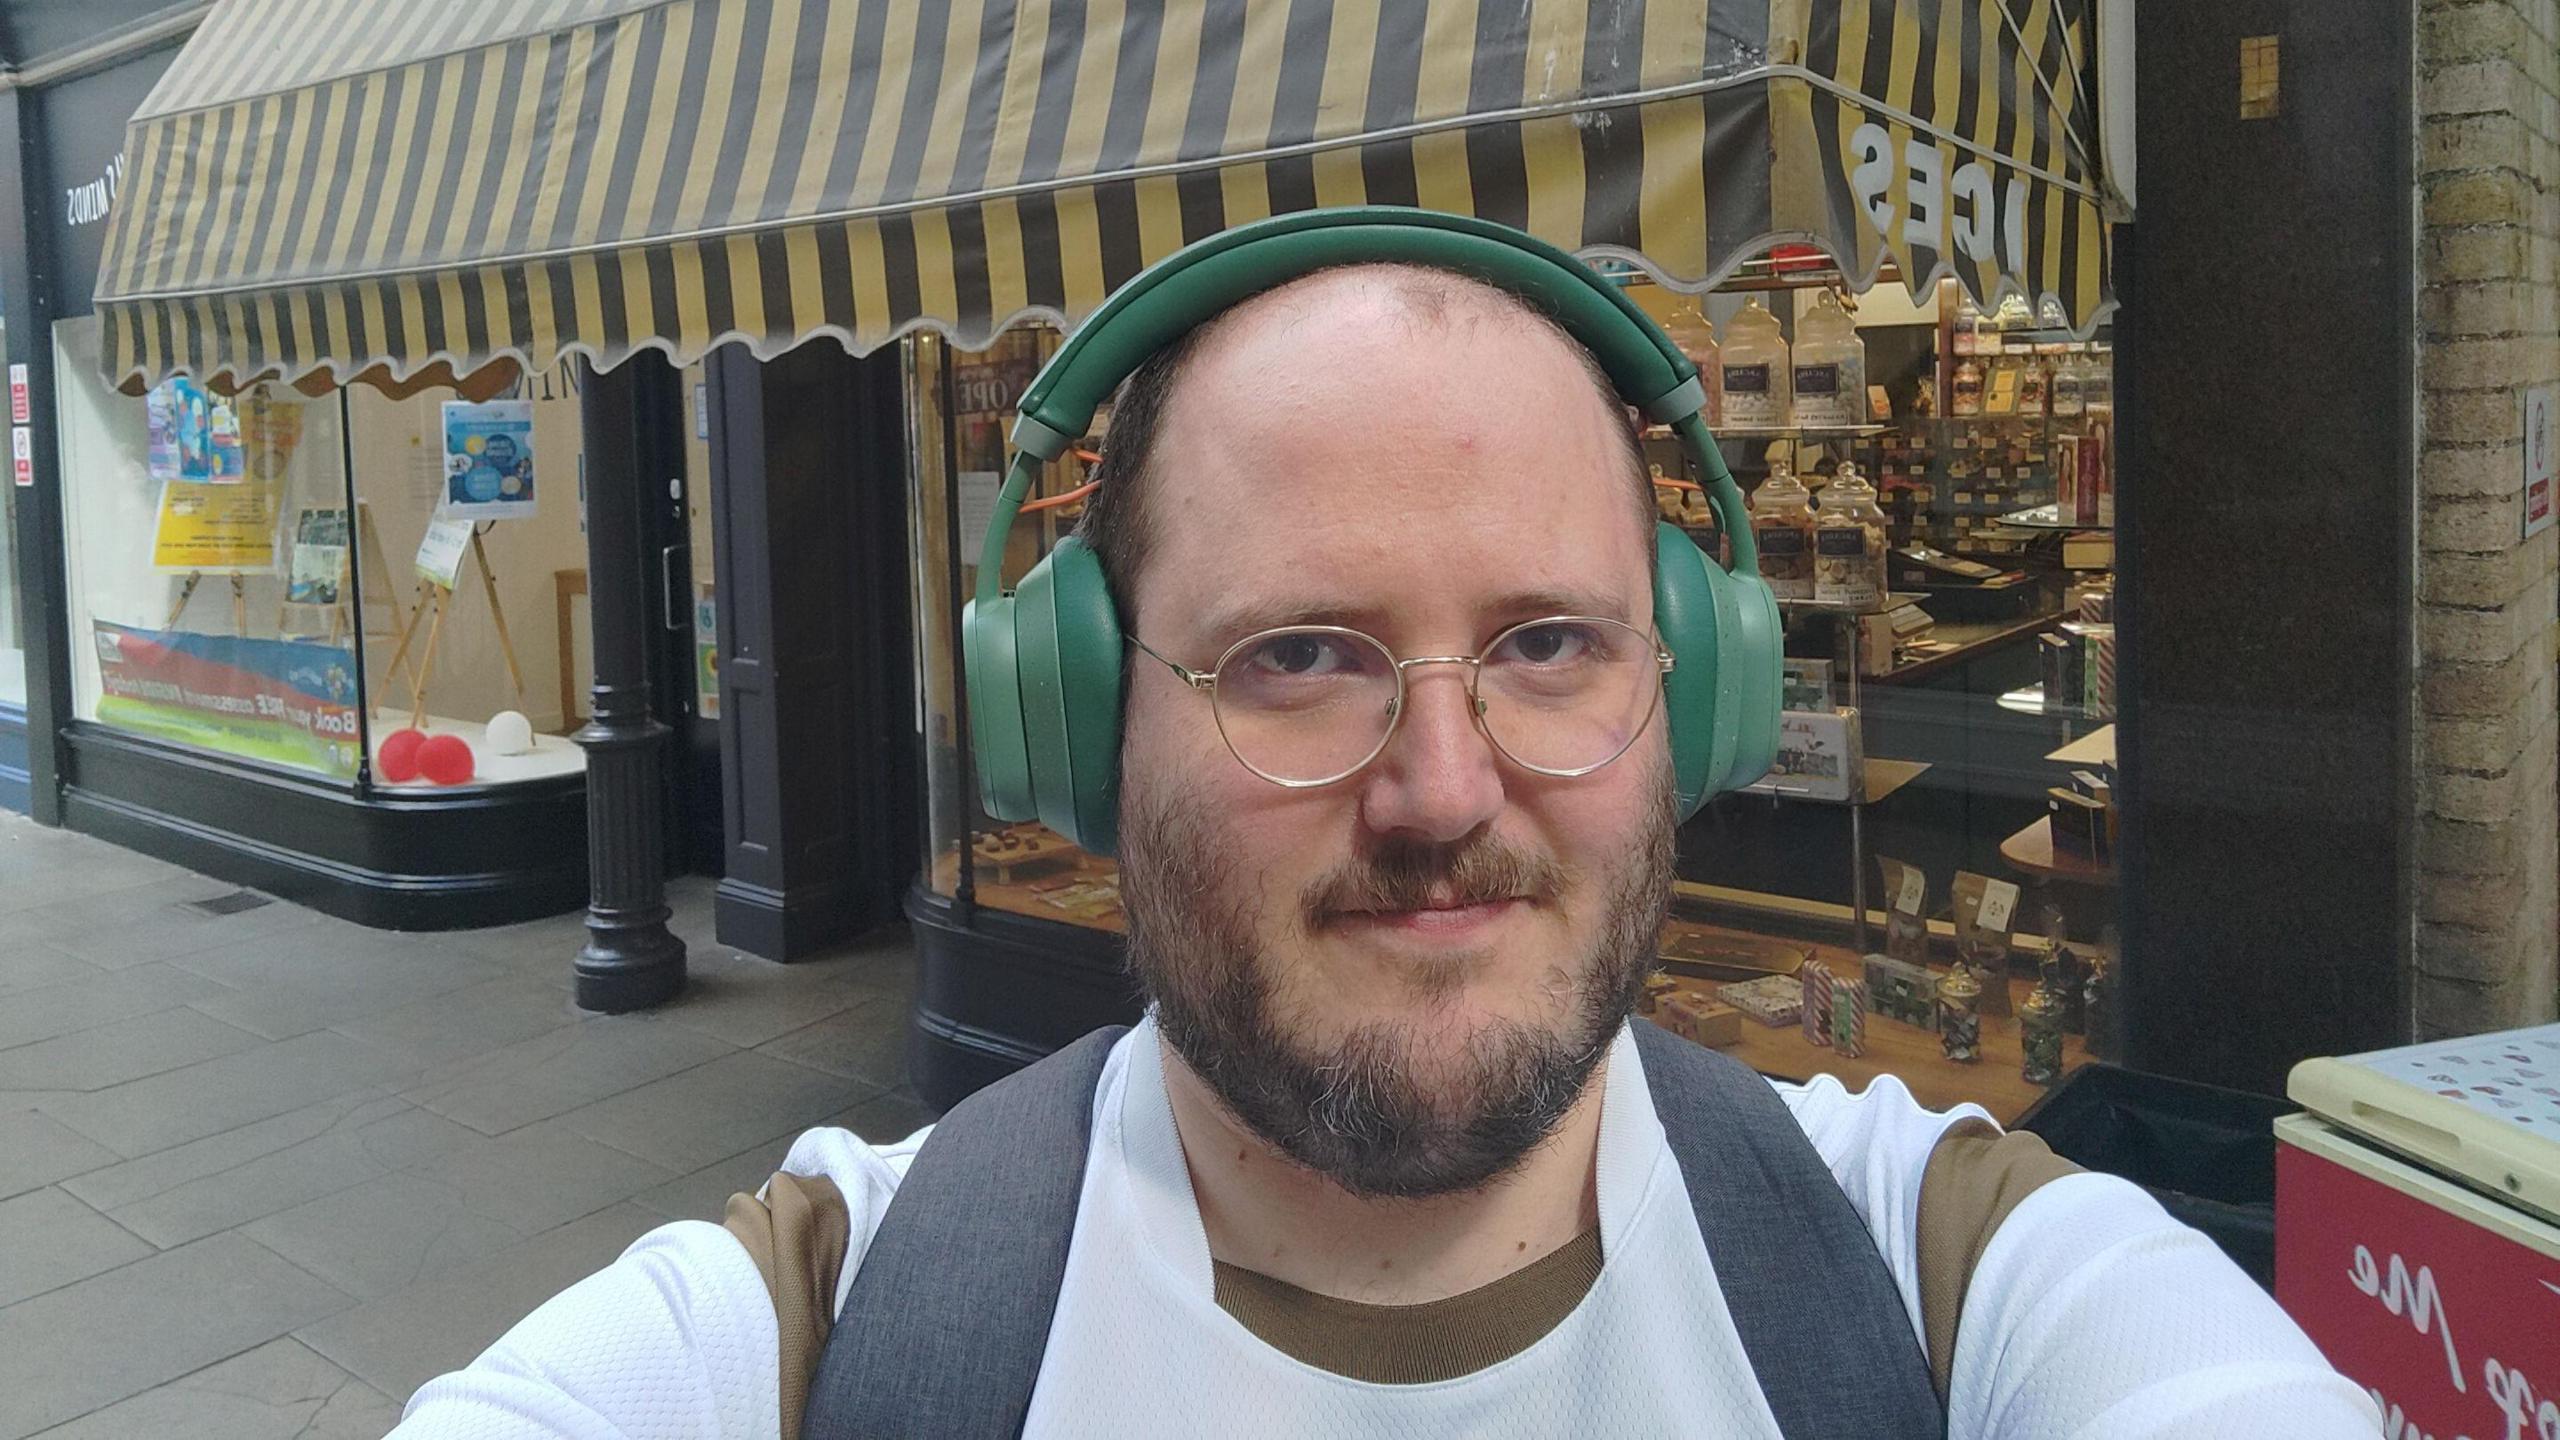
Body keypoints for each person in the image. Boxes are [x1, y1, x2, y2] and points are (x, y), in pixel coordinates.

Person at [393, 229, 2378, 1439]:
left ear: (1695, 692)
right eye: (1300, 658)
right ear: (1072, 729)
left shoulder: (1957, 1287)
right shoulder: (826, 1334)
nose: (1441, 794)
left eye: (1546, 644)